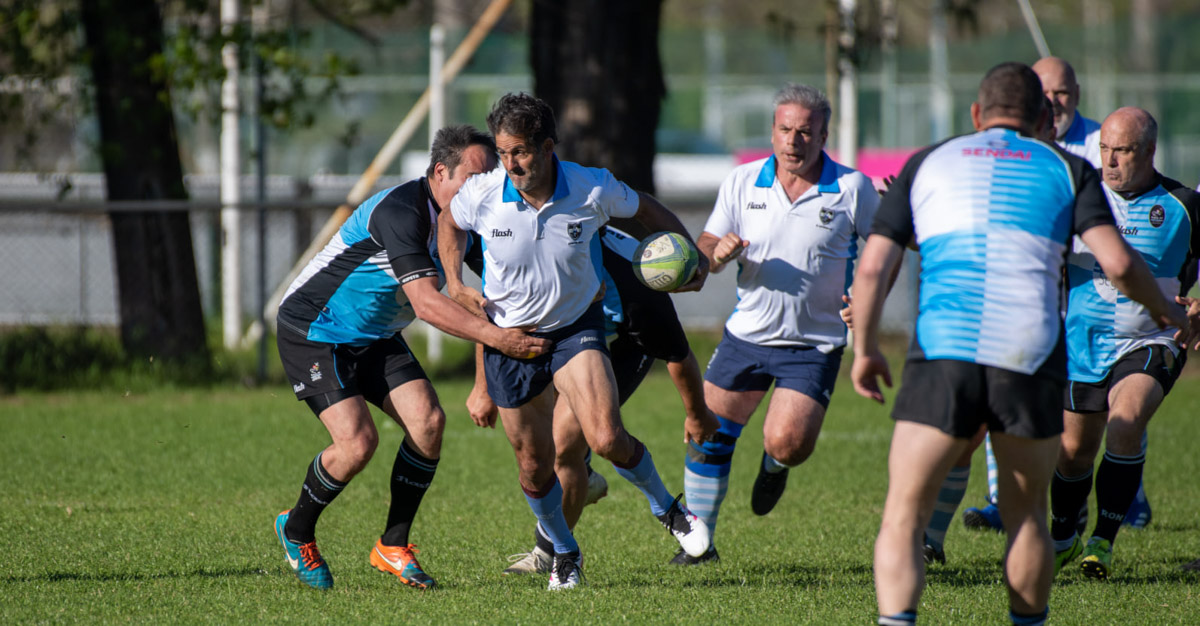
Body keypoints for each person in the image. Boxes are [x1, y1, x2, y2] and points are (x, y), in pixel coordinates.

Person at [850, 62, 1188, 625]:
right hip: (1028, 356)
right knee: (1028, 514)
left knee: (903, 515)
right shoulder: (1067, 167)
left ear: (977, 115)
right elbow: (1120, 262)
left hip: (945, 353)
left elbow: (873, 268)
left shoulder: (928, 162)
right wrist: (1168, 309)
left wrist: (863, 347)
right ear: (1041, 119)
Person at [438, 92, 711, 590]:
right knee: (534, 464)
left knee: (605, 438)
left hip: (576, 330)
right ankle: (566, 553)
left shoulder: (591, 187)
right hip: (510, 340)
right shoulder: (483, 192)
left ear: (547, 147)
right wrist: (455, 283)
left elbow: (646, 210)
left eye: (520, 151)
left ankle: (668, 509)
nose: (511, 164)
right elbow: (448, 223)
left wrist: (693, 254)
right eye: (502, 152)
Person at [272, 125, 550, 590]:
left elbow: (502, 290)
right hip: (314, 328)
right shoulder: (401, 212)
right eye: (474, 177)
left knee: (428, 423)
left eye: (490, 178)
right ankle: (296, 529)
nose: (484, 188)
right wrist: (500, 341)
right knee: (358, 444)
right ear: (440, 173)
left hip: (376, 334)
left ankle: (392, 546)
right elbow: (426, 304)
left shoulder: (467, 220)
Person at [685, 82, 881, 562]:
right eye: (785, 130)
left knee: (789, 443)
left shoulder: (852, 188)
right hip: (746, 336)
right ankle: (699, 545)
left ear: (824, 135)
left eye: (806, 132)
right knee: (704, 433)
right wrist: (717, 254)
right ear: (773, 132)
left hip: (813, 345)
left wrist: (867, 300)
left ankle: (775, 465)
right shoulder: (742, 180)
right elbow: (706, 246)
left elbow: (884, 253)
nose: (794, 141)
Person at [475, 222, 720, 574]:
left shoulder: (638, 292)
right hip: (559, 338)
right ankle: (573, 502)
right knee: (547, 453)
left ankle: (551, 552)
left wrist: (697, 413)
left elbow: (678, 355)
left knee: (568, 444)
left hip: (619, 344)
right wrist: (482, 387)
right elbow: (491, 307)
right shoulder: (528, 247)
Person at [964, 55, 1134, 533]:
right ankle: (1004, 500)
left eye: (1063, 93)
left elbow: (1131, 221)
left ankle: (1124, 496)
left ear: (1076, 94)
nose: (1054, 102)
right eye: (1045, 93)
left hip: (1091, 297)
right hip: (1026, 295)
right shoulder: (1011, 147)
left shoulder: (1104, 142)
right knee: (1009, 396)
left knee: (1101, 407)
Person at [1048, 107, 1200, 581]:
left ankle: (1102, 543)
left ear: (1150, 151)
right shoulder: (1076, 199)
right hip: (1082, 343)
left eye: (1124, 150)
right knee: (1072, 452)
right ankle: (1062, 535)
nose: (1110, 161)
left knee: (1126, 421)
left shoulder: (1184, 204)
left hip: (1154, 337)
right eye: (1105, 149)